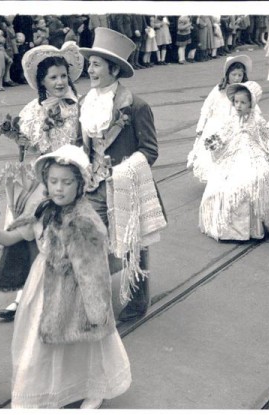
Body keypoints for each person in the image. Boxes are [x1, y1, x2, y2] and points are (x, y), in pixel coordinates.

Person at [0, 145, 132, 409]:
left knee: (87, 342)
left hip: (74, 287)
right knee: (38, 339)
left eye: (67, 182)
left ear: (80, 185)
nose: (59, 188)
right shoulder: (43, 210)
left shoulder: (84, 221)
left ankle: (94, 387)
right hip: (42, 281)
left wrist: (97, 308)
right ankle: (45, 389)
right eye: (53, 181)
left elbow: (92, 270)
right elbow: (18, 236)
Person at [0, 42, 85, 321]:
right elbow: (26, 149)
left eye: (62, 76)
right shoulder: (31, 109)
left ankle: (64, 298)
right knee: (25, 237)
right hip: (34, 181)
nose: (59, 82)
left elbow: (84, 145)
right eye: (53, 77)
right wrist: (19, 142)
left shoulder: (77, 108)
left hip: (64, 182)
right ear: (41, 81)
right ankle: (24, 296)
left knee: (58, 242)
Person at [78, 28, 161, 322]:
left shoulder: (136, 106)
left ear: (114, 69)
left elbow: (150, 150)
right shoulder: (83, 102)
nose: (90, 69)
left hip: (125, 185)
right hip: (93, 186)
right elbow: (82, 144)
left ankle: (138, 301)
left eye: (96, 64)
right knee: (88, 242)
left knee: (132, 244)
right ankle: (93, 301)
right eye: (90, 64)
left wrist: (124, 171)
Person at [199, 81, 269, 241]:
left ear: (251, 103)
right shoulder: (231, 120)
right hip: (233, 155)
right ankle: (228, 227)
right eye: (236, 102)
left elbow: (268, 138)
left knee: (257, 178)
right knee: (225, 183)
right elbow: (223, 135)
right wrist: (215, 143)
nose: (238, 106)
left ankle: (254, 225)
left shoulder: (257, 121)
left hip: (253, 154)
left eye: (243, 102)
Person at [187, 54, 252, 182]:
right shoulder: (219, 90)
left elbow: (251, 109)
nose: (237, 78)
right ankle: (214, 180)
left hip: (234, 127)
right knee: (213, 153)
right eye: (234, 75)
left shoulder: (244, 91)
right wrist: (200, 125)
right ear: (227, 74)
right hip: (215, 125)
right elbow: (206, 108)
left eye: (240, 75)